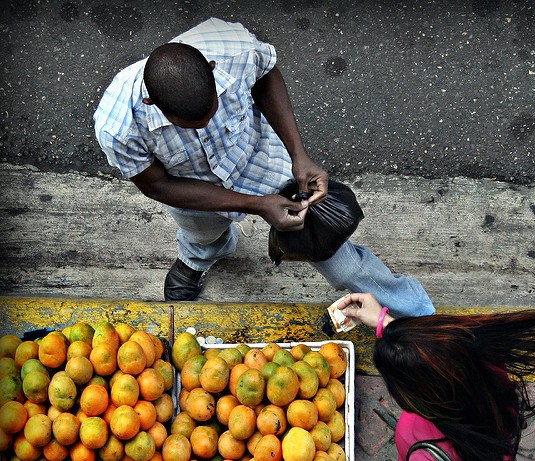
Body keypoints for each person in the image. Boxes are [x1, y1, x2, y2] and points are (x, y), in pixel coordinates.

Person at [93, 17, 434, 315]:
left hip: (262, 163)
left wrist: (299, 154)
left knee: (341, 262)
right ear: (152, 104)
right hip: (193, 190)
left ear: (212, 69)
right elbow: (158, 186)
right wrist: (256, 206)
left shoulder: (232, 47)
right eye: (189, 124)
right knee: (201, 234)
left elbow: (266, 74)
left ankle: (418, 312)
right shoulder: (117, 126)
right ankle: (198, 259)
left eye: (213, 110)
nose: (206, 126)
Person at [335, 293, 535, 461]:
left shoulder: (424, 450)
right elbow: (440, 351)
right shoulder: (483, 369)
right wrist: (384, 321)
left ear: (418, 396)